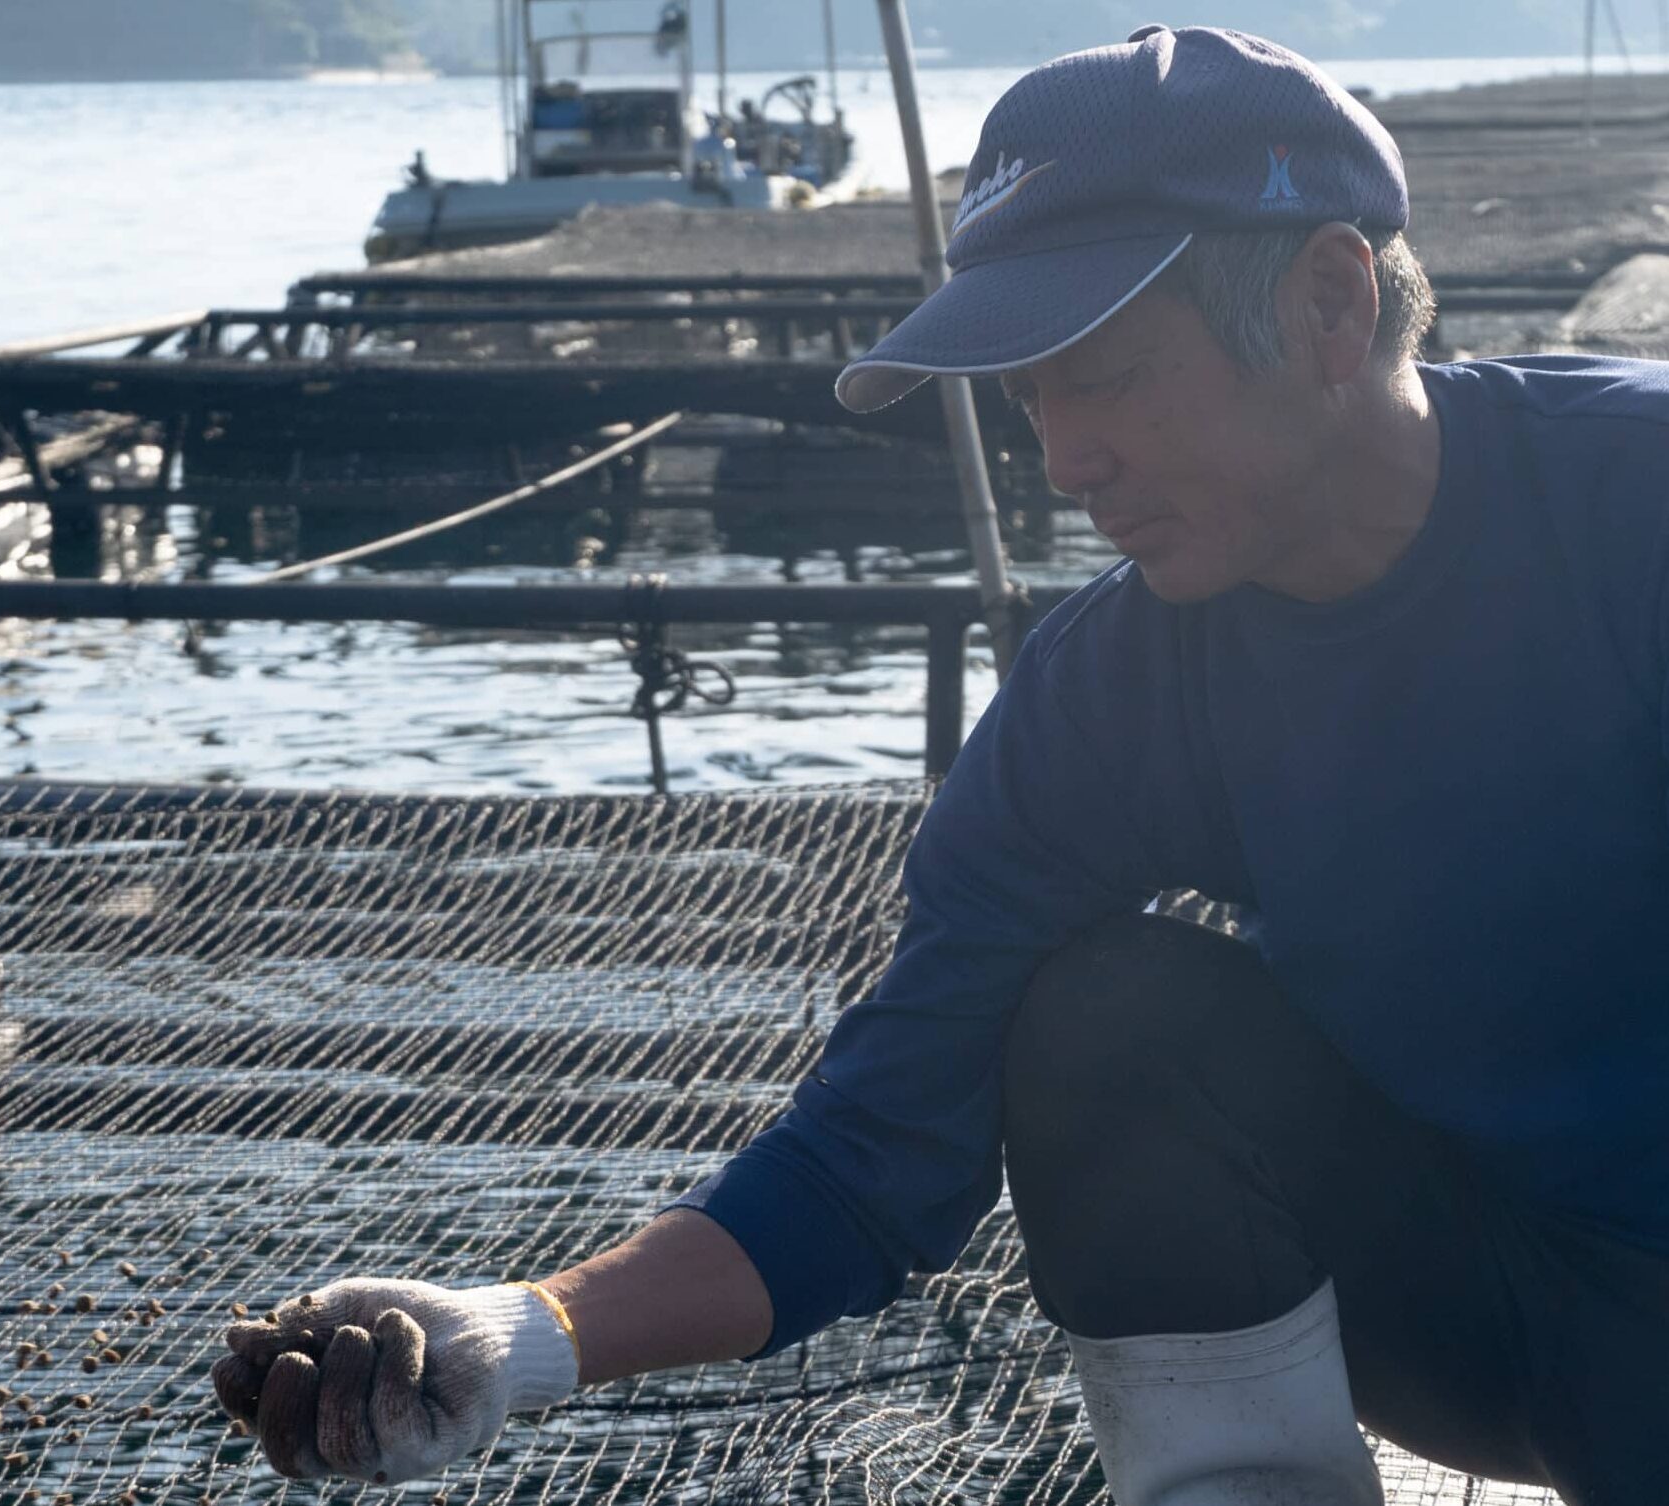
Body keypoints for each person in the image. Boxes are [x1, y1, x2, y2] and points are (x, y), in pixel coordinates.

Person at [213, 26, 1669, 1505]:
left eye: (1105, 374)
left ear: (1331, 303)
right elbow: (870, 1154)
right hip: (1495, 1322)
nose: (1064, 459)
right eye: (1032, 397)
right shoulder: (1111, 689)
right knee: (1110, 1017)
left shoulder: (1637, 508)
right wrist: (520, 1333)